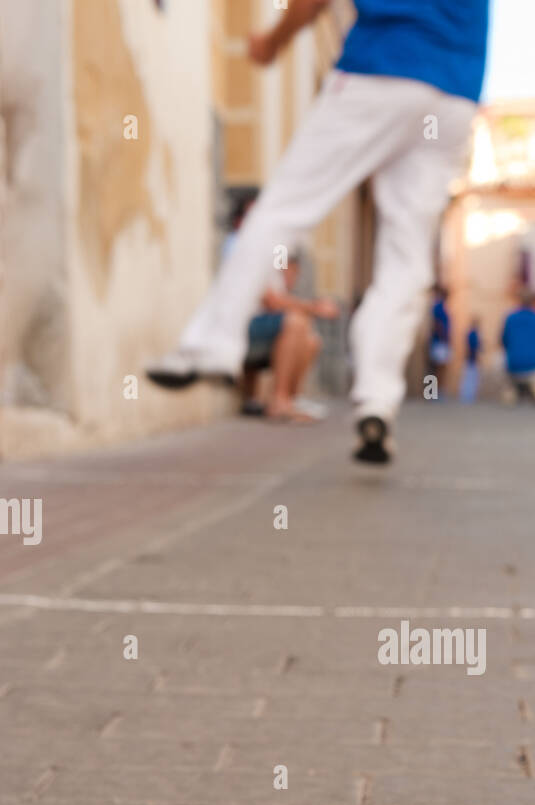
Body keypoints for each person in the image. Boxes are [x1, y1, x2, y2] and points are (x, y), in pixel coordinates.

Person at [146, 0, 490, 465]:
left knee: (285, 206)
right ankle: (376, 400)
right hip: (454, 93)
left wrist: (273, 40)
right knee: (407, 260)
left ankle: (213, 344)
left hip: (380, 68)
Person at [242, 254, 339, 422]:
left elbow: (280, 296)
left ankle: (291, 399)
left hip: (266, 327)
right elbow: (272, 301)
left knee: (311, 340)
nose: (294, 278)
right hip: (242, 328)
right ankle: (278, 400)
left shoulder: (280, 250)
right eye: (293, 273)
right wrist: (315, 307)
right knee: (295, 322)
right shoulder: (270, 250)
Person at [459, 318, 483, 402]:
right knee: (469, 378)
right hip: (471, 359)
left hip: (471, 359)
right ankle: (467, 397)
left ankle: (469, 397)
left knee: (471, 378)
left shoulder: (474, 333)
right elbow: (472, 347)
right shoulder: (473, 334)